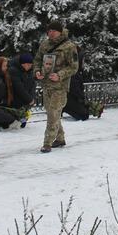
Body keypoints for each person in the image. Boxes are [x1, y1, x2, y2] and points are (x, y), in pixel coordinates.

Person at [34, 20, 80, 152]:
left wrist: (60, 75)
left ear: (60, 31)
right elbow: (37, 60)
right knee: (51, 112)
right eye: (49, 31)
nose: (51, 33)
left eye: (54, 30)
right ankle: (60, 138)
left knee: (53, 113)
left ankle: (47, 143)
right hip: (46, 84)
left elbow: (74, 67)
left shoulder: (69, 46)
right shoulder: (44, 44)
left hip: (60, 86)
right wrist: (37, 71)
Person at [7, 53, 37, 126]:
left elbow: (33, 84)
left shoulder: (30, 71)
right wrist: (29, 99)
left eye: (31, 65)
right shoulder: (13, 70)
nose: (29, 66)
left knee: (23, 113)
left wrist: (31, 98)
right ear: (22, 64)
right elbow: (18, 87)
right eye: (28, 64)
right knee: (16, 112)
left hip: (26, 99)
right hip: (16, 98)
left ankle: (22, 120)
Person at [63, 45, 91, 121]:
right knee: (84, 115)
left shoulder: (77, 71)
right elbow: (74, 89)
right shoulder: (73, 72)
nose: (83, 62)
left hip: (73, 97)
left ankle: (66, 107)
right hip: (69, 98)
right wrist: (82, 98)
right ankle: (64, 107)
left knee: (85, 110)